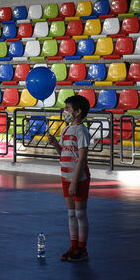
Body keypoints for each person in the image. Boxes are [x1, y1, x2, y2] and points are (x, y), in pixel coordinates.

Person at [47, 95, 91, 262]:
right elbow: (64, 154)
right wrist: (56, 145)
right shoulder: (65, 130)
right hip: (65, 177)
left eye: (68, 108)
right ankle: (74, 246)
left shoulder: (81, 131)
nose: (65, 111)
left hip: (78, 179)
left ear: (78, 112)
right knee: (71, 214)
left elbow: (81, 158)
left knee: (80, 214)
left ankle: (82, 248)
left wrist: (74, 180)